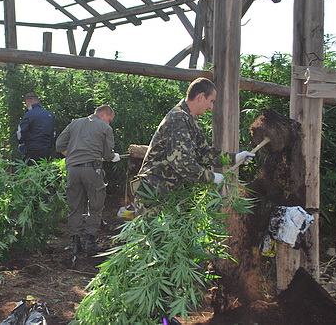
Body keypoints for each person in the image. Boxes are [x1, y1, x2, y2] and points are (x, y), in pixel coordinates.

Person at [135, 77, 254, 202]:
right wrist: (211, 177)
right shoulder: (178, 119)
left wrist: (235, 158)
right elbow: (182, 163)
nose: (211, 107)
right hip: (153, 195)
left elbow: (203, 152)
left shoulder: (189, 120)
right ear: (200, 97)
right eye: (211, 101)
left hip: (168, 194)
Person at [55, 105, 121, 253]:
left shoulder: (75, 123)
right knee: (96, 204)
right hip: (92, 169)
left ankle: (75, 242)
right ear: (103, 115)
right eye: (109, 120)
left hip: (72, 169)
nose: (109, 123)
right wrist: (113, 157)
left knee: (75, 205)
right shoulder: (105, 128)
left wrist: (72, 156)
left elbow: (59, 145)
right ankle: (90, 241)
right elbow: (108, 155)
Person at [16, 92, 55, 163]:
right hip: (47, 149)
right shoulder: (49, 114)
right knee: (43, 169)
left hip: (32, 149)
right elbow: (53, 132)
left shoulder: (29, 114)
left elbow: (21, 132)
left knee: (31, 170)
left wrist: (21, 142)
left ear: (27, 101)